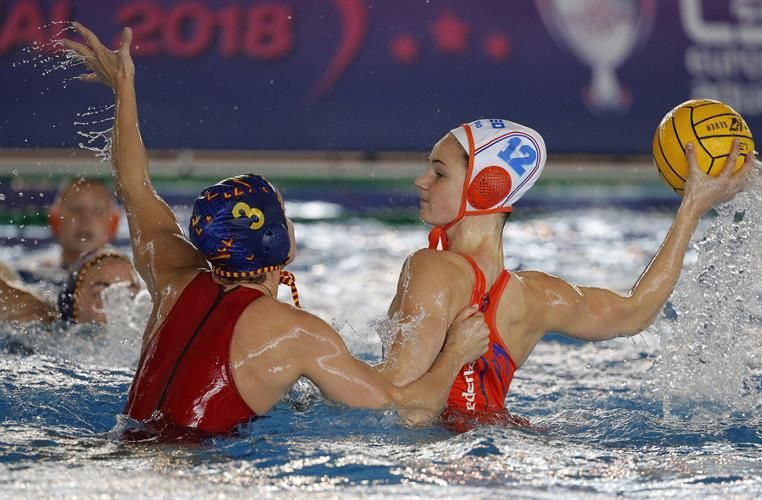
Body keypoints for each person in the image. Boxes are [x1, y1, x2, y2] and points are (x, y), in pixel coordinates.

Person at [64, 22, 490, 439]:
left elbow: (133, 186)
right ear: (275, 241)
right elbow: (407, 411)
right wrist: (456, 353)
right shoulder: (298, 333)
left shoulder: (171, 274)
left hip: (119, 446)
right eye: (283, 214)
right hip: (188, 474)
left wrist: (124, 88)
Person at [379, 119, 754, 430]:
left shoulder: (430, 268)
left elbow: (400, 409)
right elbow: (636, 312)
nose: (421, 181)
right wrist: (691, 208)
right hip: (506, 441)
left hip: (435, 458)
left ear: (486, 186)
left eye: (439, 173)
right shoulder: (537, 298)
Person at [0, 247, 140, 325]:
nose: (120, 306)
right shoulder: (46, 327)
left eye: (131, 295)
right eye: (101, 295)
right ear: (75, 304)